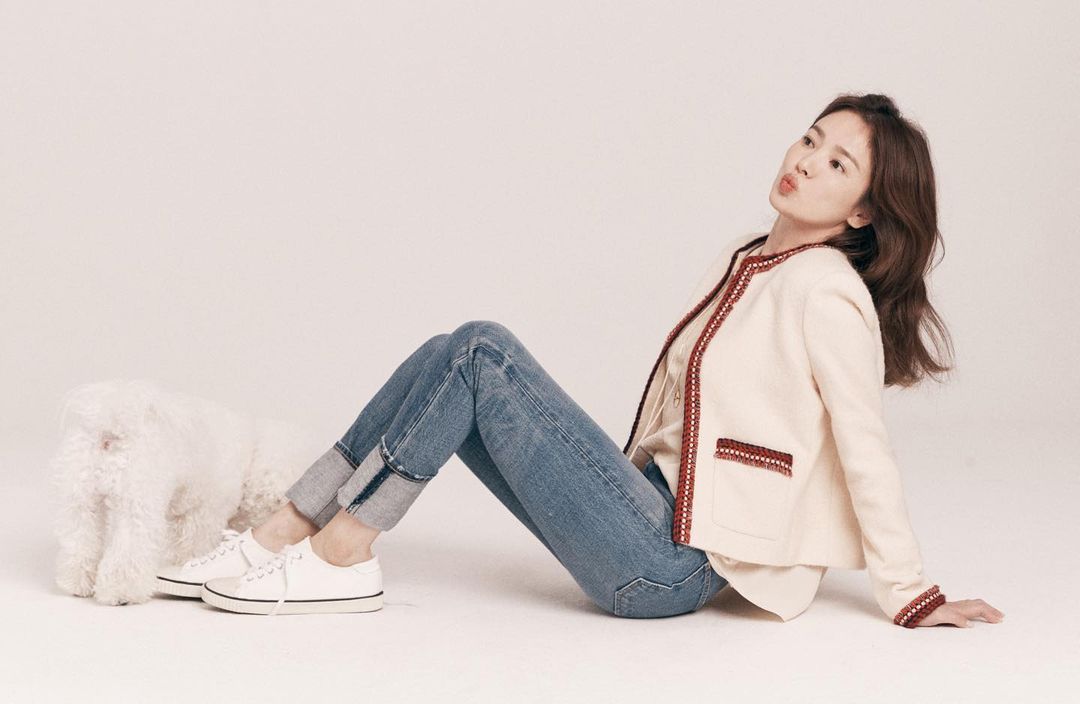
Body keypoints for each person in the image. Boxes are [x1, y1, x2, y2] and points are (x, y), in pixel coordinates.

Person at [155, 92, 1004, 628]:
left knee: (481, 347)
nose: (805, 162)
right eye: (810, 139)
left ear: (863, 213)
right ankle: (283, 530)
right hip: (647, 511)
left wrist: (911, 592)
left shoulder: (826, 292)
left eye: (836, 163)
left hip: (674, 566)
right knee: (446, 353)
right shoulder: (747, 258)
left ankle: (340, 554)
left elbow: (865, 448)